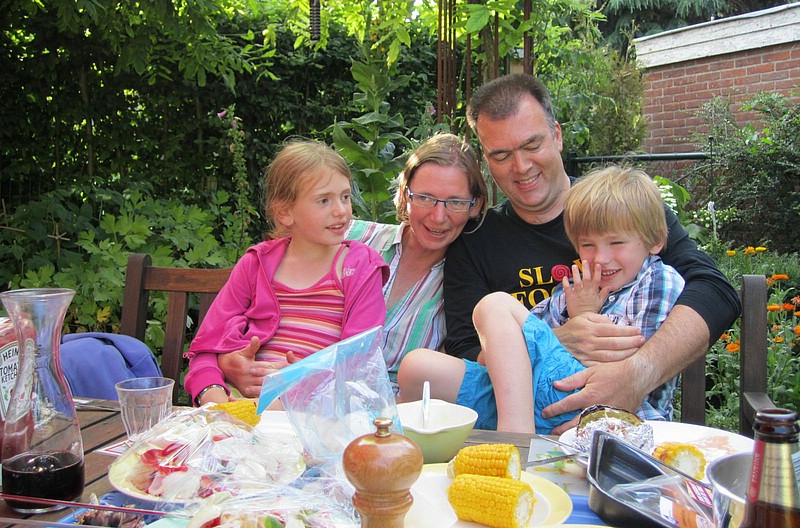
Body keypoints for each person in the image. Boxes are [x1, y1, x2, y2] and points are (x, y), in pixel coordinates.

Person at [441, 73, 740, 433]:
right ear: (486, 159)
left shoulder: (620, 209)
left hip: (619, 416)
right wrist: (550, 343)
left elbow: (714, 290)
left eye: (532, 145)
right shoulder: (475, 241)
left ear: (557, 135)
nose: (520, 167)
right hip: (521, 408)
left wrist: (636, 375)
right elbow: (464, 346)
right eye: (501, 155)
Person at [399, 166, 684, 434]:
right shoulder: (578, 286)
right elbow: (522, 343)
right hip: (533, 400)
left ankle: (516, 438)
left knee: (494, 306)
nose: (601, 258)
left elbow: (625, 361)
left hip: (602, 408)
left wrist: (582, 317)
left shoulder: (658, 280)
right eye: (587, 245)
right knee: (416, 368)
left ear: (655, 241)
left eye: (616, 243)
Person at [215, 133, 489, 397]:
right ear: (406, 195)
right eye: (425, 198)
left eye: (455, 202)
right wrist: (232, 362)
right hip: (285, 396)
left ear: (475, 206)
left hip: (388, 415)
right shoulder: (348, 236)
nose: (438, 216)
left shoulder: (467, 285)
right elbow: (270, 291)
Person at [184, 139, 389, 406]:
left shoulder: (361, 266)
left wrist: (303, 377)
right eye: (324, 200)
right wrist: (211, 395)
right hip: (240, 400)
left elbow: (360, 360)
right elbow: (205, 348)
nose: (341, 210)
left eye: (345, 196)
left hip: (318, 406)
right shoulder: (256, 264)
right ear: (285, 213)